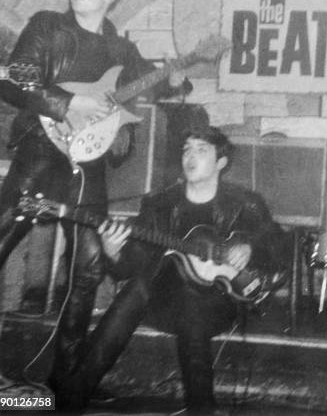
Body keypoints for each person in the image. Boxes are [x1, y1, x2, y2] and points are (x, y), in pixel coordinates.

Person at [0, 0, 192, 397]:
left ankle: (65, 381)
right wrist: (68, 103)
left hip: (88, 166)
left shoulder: (122, 50)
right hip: (42, 153)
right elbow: (13, 81)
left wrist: (178, 79)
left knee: (87, 268)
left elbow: (152, 85)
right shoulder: (48, 26)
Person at [52, 125, 288, 414]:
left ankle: (201, 409)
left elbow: (278, 244)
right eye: (186, 149)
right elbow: (131, 265)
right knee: (136, 289)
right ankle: (72, 398)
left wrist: (249, 246)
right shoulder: (160, 203)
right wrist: (112, 250)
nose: (190, 156)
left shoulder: (245, 202)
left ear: (220, 163)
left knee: (193, 305)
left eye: (201, 150)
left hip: (221, 302)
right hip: (163, 301)